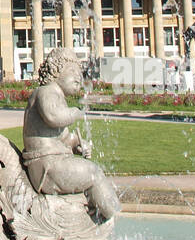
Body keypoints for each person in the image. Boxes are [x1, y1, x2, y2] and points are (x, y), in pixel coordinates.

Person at [22, 47, 121, 223]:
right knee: (94, 174)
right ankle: (113, 217)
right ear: (55, 71)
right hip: (47, 167)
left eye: (80, 72)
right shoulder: (46, 92)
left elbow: (63, 138)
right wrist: (75, 112)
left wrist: (77, 145)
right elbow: (54, 117)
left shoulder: (57, 96)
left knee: (92, 173)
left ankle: (97, 216)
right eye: (72, 71)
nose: (79, 77)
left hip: (53, 164)